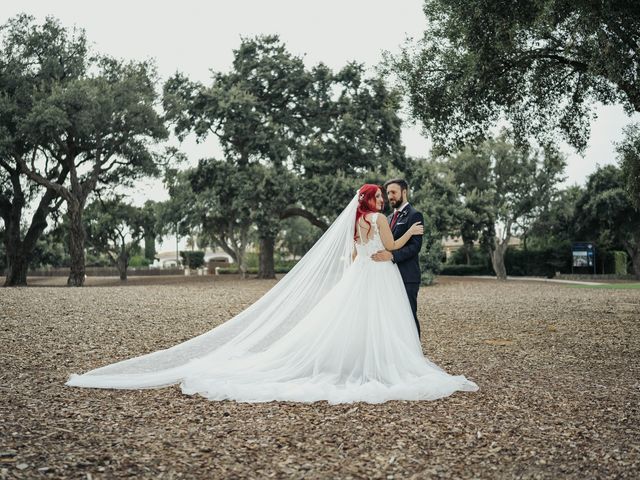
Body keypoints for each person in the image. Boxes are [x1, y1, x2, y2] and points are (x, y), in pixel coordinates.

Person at [67, 184, 478, 404]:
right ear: (373, 199)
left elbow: (358, 251)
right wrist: (408, 232)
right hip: (379, 275)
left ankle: (356, 362)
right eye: (377, 195)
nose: (380, 200)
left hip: (360, 275)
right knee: (384, 321)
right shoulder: (380, 219)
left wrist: (377, 250)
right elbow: (387, 249)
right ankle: (383, 365)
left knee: (352, 320)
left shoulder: (356, 223)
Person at [372, 179, 423, 337]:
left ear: (404, 192)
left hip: (407, 276)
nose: (390, 196)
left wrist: (392, 256)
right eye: (388, 193)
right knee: (394, 318)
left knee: (408, 316)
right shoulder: (386, 218)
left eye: (393, 192)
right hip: (388, 277)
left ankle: (416, 355)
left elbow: (415, 247)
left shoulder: (414, 215)